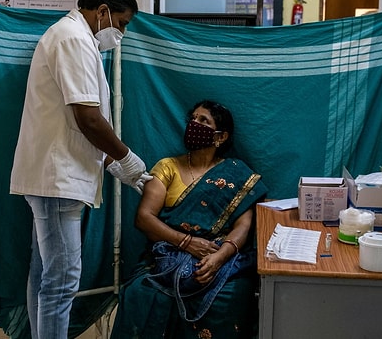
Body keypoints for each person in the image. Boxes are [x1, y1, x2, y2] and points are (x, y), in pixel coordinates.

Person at [10, 0, 152, 339]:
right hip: (57, 180)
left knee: (44, 275)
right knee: (60, 282)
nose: (120, 33)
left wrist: (114, 165)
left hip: (56, 172)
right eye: (121, 23)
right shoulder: (73, 38)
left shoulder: (73, 37)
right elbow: (87, 118)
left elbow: (68, 126)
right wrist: (129, 158)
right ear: (102, 11)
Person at [111, 100, 268, 339]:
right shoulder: (168, 167)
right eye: (193, 119)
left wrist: (218, 258)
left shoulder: (238, 174)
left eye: (204, 121)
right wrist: (186, 242)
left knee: (231, 295)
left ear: (221, 137)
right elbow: (144, 218)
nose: (194, 124)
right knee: (140, 293)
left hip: (218, 255)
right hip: (168, 254)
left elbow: (243, 226)